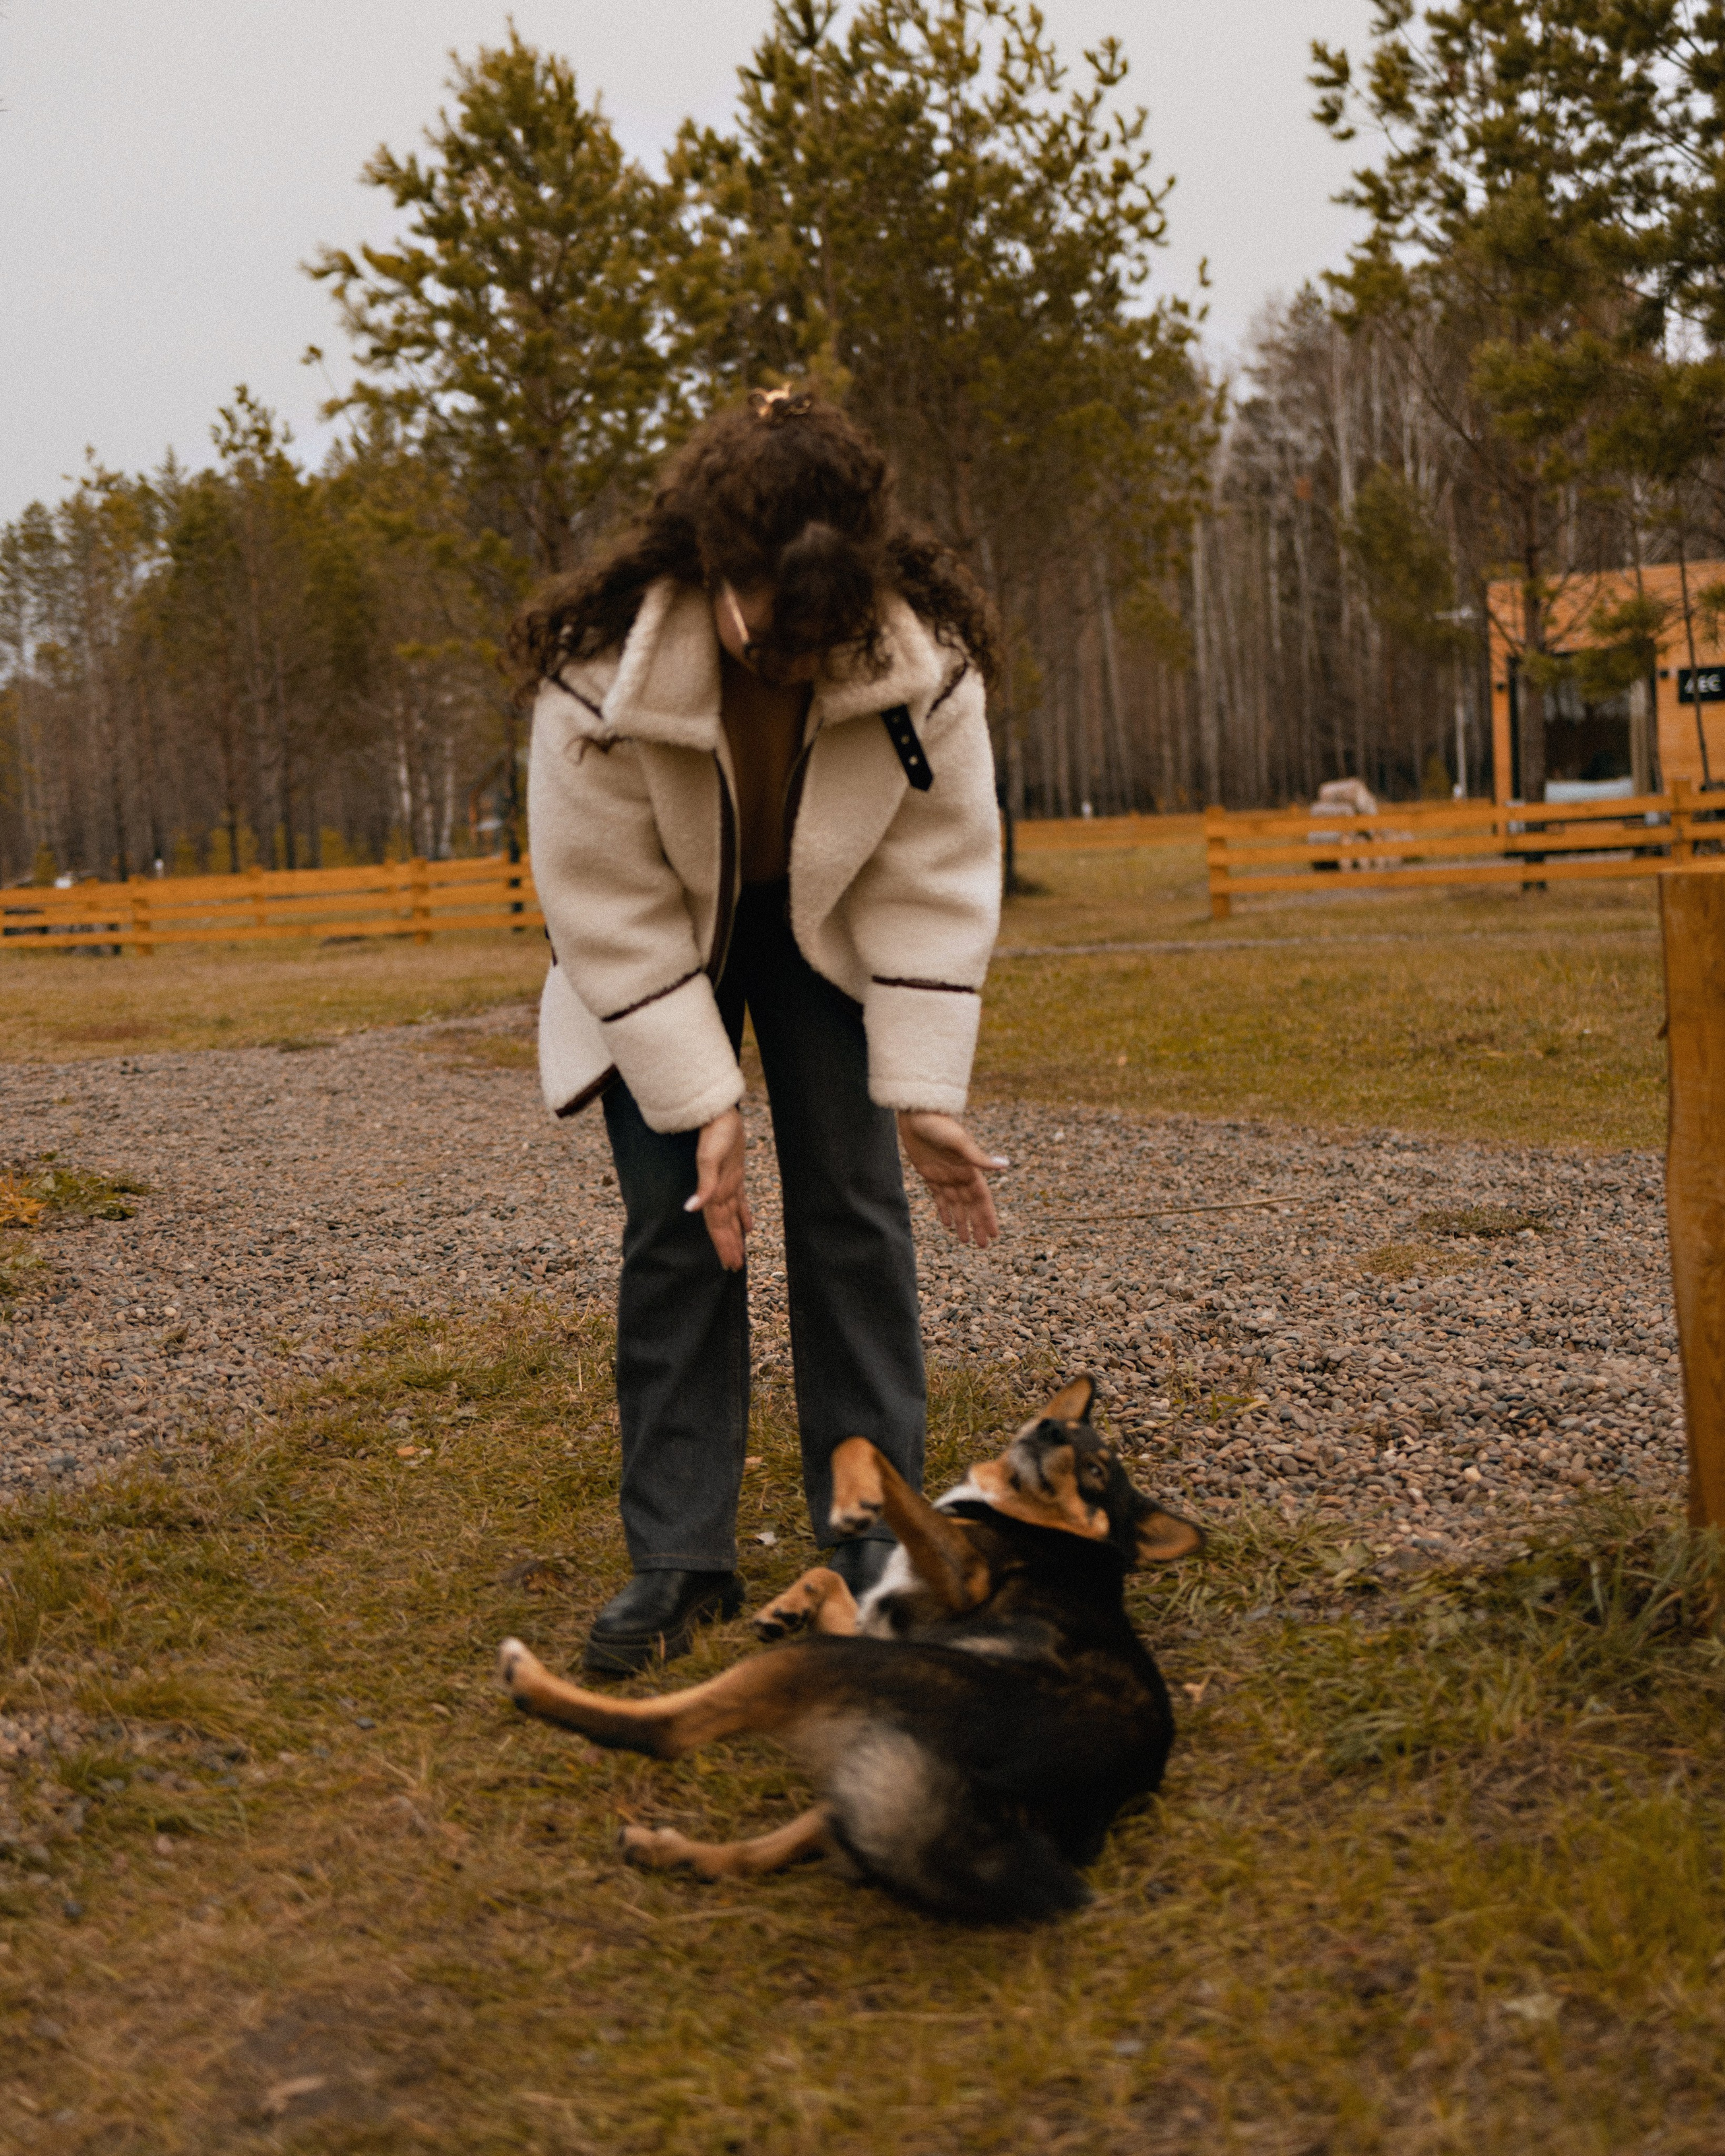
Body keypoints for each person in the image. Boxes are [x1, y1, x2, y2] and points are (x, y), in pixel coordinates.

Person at [514, 387, 1006, 1674]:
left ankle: (869, 1535)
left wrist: (924, 1088)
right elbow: (604, 906)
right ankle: (679, 1558)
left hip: (828, 921)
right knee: (685, 1216)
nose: (794, 660)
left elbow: (934, 871)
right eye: (771, 635)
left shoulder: (921, 664)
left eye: (822, 636)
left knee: (854, 1205)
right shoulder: (596, 676)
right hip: (666, 927)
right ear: (714, 570)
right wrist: (703, 1100)